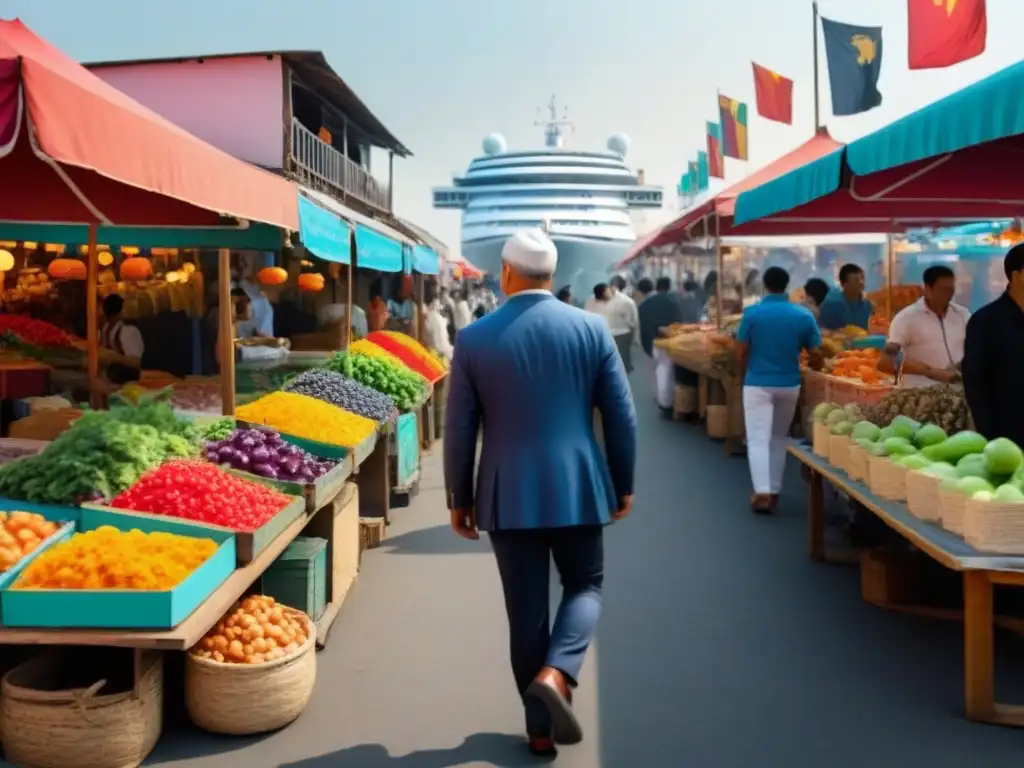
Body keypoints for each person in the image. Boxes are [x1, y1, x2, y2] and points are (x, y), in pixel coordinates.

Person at [444, 228, 636, 757]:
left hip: (507, 491)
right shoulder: (591, 329)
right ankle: (557, 674)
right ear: (551, 275)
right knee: (586, 587)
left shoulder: (475, 338)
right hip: (580, 485)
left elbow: (460, 427)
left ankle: (539, 730)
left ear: (505, 272)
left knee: (525, 613)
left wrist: (459, 497)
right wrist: (624, 481)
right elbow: (621, 415)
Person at [734, 267, 822, 514]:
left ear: (765, 284)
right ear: (787, 285)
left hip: (758, 383)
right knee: (778, 437)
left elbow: (739, 350)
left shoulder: (752, 314)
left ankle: (762, 491)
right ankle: (773, 490)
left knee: (757, 438)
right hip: (789, 383)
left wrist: (743, 374)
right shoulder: (802, 315)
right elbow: (816, 353)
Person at [963, 244, 1024, 446]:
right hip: (1008, 435)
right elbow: (975, 384)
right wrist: (991, 437)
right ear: (1017, 276)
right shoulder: (986, 321)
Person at [877, 265, 968, 388]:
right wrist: (930, 372)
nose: (949, 295)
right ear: (928, 289)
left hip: (957, 391)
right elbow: (885, 362)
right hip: (919, 392)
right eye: (943, 290)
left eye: (951, 290)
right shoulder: (906, 318)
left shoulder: (962, 315)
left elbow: (976, 349)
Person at [638, 276, 686, 419]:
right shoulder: (675, 301)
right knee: (668, 372)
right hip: (673, 342)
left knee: (659, 372)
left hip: (654, 342)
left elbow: (643, 328)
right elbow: (680, 321)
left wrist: (646, 346)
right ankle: (668, 402)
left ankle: (663, 402)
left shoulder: (644, 305)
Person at [100, 294, 144, 384]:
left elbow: (136, 363)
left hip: (127, 374)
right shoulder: (106, 329)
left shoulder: (128, 331)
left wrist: (114, 358)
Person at [818, 264, 872, 331]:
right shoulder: (831, 306)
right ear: (843, 284)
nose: (861, 282)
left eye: (862, 278)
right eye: (856, 280)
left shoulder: (867, 306)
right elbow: (823, 331)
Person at [607, 275, 639, 373]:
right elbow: (633, 323)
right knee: (623, 366)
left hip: (605, 335)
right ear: (623, 287)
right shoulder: (628, 302)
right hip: (623, 336)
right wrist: (635, 339)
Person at [422, 285, 454, 362]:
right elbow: (442, 346)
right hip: (438, 358)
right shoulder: (435, 318)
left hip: (432, 356)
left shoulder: (426, 314)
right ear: (435, 299)